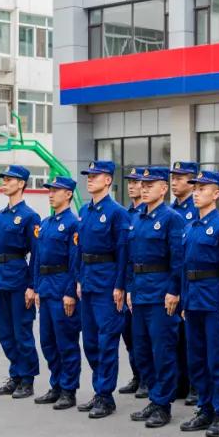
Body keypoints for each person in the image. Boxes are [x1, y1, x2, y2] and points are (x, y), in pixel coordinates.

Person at [179, 170, 219, 437]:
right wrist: (182, 297)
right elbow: (184, 267)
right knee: (197, 359)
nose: (196, 192)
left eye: (202, 189)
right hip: (193, 299)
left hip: (214, 300)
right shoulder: (191, 227)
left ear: (216, 194)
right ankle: (204, 408)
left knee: (218, 359)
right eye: (195, 188)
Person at [125, 166, 185, 429]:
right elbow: (131, 258)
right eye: (143, 184)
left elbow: (178, 259)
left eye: (151, 184)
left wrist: (174, 290)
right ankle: (153, 397)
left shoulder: (172, 218)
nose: (144, 188)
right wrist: (129, 288)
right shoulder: (137, 217)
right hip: (139, 292)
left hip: (161, 293)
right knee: (142, 350)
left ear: (164, 188)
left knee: (163, 350)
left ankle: (163, 404)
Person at [75, 160, 130, 419]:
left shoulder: (117, 212)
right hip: (88, 281)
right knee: (90, 342)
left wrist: (120, 285)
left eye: (95, 176)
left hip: (108, 284)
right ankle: (99, 390)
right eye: (88, 175)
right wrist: (78, 279)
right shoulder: (85, 211)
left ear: (108, 180)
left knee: (107, 340)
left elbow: (122, 252)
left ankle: (105, 395)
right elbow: (79, 250)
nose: (90, 179)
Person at [0, 165, 41, 400]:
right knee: (5, 333)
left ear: (21, 184)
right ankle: (15, 374)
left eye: (10, 179)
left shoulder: (30, 216)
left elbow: (36, 254)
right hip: (1, 278)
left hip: (19, 278)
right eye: (5, 179)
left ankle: (27, 378)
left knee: (21, 331)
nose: (5, 182)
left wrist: (32, 286)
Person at [31, 176, 81, 411]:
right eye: (49, 190)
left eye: (56, 191)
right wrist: (38, 287)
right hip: (47, 286)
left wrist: (70, 292)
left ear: (68, 194)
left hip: (62, 286)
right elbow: (38, 259)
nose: (51, 194)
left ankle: (68, 390)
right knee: (48, 341)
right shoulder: (46, 222)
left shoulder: (73, 223)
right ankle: (56, 384)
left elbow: (75, 261)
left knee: (66, 341)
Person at [169, 160, 199, 406]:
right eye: (174, 177)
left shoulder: (196, 210)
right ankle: (179, 382)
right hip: (173, 277)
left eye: (180, 177)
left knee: (191, 339)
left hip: (191, 282)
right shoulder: (171, 209)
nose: (175, 181)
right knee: (175, 338)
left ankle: (194, 385)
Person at [118, 168, 146, 398]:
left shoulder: (147, 214)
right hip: (130, 281)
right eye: (131, 181)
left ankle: (148, 379)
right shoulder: (127, 213)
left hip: (148, 284)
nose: (133, 186)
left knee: (146, 336)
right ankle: (138, 375)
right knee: (129, 334)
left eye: (137, 182)